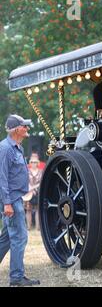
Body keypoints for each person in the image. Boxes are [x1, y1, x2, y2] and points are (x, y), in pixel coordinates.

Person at [0, 115, 40, 286]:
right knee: (20, 237)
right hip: (12, 199)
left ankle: (17, 276)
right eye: (25, 126)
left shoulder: (18, 148)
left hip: (15, 197)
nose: (27, 129)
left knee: (7, 238)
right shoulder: (5, 149)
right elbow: (1, 178)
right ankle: (16, 278)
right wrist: (7, 203)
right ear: (17, 129)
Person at [24, 153, 43, 230]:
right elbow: (24, 181)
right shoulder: (26, 171)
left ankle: (38, 228)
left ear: (37, 162)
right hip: (28, 193)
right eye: (32, 162)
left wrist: (34, 188)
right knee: (28, 210)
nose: (33, 164)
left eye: (35, 162)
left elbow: (42, 182)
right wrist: (30, 188)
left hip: (38, 193)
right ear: (30, 163)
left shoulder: (41, 171)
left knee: (38, 210)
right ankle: (29, 227)